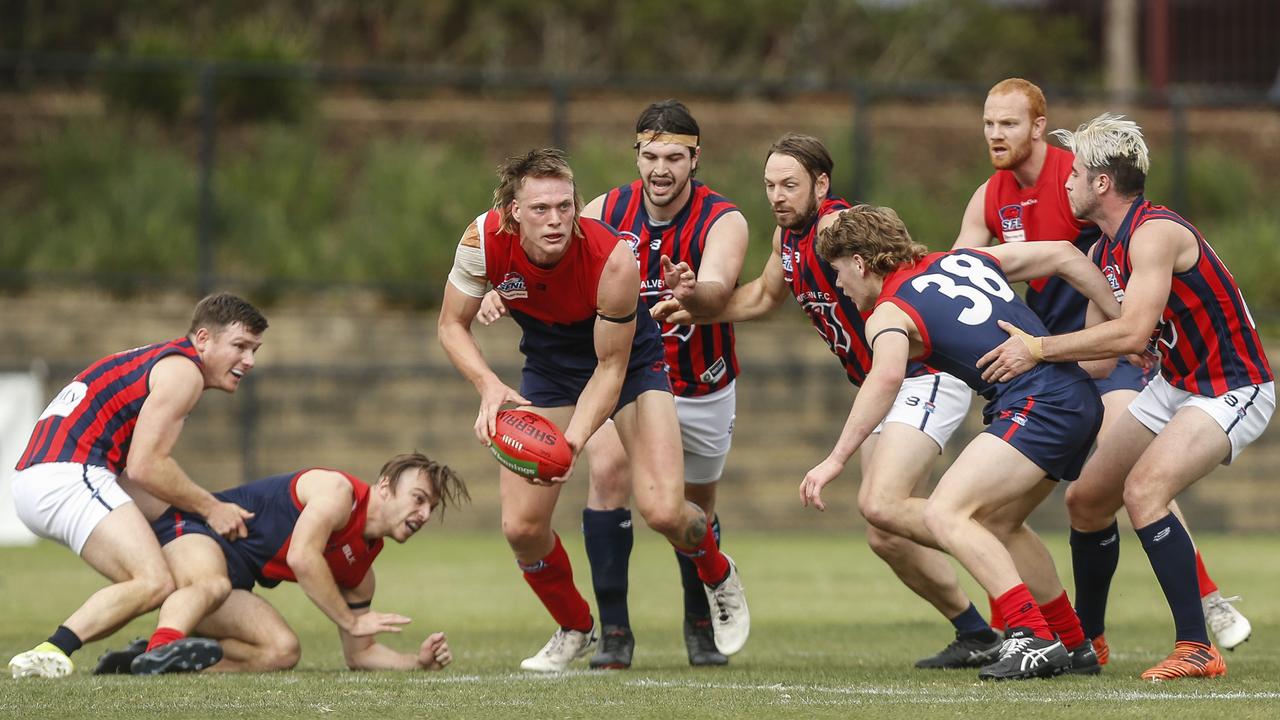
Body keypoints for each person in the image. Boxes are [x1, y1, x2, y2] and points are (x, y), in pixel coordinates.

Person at [657, 134, 1008, 671]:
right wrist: (695, 308)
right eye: (770, 185)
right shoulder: (786, 239)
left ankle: (1011, 581)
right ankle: (978, 632)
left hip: (921, 373)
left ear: (821, 184)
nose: (778, 196)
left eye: (790, 185)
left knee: (886, 505)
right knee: (883, 532)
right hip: (882, 385)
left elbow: (904, 274)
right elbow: (759, 298)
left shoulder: (837, 231)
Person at [953, 77, 1252, 661]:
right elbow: (1097, 353)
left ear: (1101, 183)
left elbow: (1132, 331)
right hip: (1153, 376)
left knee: (1143, 487)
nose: (1067, 181)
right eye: (988, 122)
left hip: (1225, 384)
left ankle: (1199, 634)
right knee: (1086, 501)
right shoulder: (1098, 247)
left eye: (1076, 175)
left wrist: (1041, 350)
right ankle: (1087, 642)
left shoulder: (1151, 230)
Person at [438, 148, 748, 672]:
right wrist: (488, 384)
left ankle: (717, 571)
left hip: (627, 364)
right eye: (540, 209)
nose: (557, 219)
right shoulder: (482, 241)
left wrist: (572, 442)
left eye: (565, 205)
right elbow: (451, 325)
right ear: (513, 211)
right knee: (521, 527)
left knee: (664, 511)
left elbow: (609, 366)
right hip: (549, 365)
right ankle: (575, 626)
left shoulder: (612, 258)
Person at [808, 203, 1122, 680]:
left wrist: (834, 460)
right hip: (1075, 398)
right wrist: (1120, 326)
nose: (840, 288)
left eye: (838, 273)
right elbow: (1064, 254)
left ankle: (1031, 635)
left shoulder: (889, 310)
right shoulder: (965, 258)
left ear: (859, 262)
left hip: (1039, 404)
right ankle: (1074, 643)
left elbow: (886, 376)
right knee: (999, 523)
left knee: (945, 512)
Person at [8, 293, 266, 679]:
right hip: (67, 474)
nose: (249, 360)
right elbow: (146, 466)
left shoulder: (165, 360)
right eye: (240, 346)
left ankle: (143, 653)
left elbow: (134, 474)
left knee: (154, 582)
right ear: (203, 339)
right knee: (154, 580)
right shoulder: (184, 372)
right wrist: (212, 508)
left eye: (254, 349)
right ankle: (51, 650)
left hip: (49, 477)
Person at [92, 452, 467, 675]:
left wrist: (415, 662)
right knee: (209, 583)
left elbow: (361, 654)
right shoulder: (339, 493)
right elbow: (302, 557)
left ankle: (152, 664)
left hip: (231, 578)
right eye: (418, 499)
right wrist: (350, 620)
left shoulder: (361, 574)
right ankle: (163, 644)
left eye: (431, 508)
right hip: (192, 535)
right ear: (385, 487)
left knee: (282, 651)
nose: (424, 514)